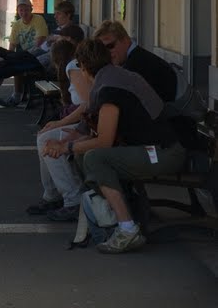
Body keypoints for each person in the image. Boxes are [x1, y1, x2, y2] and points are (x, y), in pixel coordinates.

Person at [42, 39, 185, 253]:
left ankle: (127, 228)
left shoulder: (109, 88)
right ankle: (112, 214)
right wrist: (65, 142)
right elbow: (92, 130)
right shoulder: (112, 76)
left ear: (83, 66)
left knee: (94, 157)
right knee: (87, 155)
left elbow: (104, 141)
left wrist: (65, 148)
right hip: (155, 148)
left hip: (163, 152)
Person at [28, 36, 93, 221]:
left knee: (46, 139)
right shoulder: (75, 66)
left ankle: (72, 199)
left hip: (89, 124)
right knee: (44, 136)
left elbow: (87, 105)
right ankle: (52, 194)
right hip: (86, 122)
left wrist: (59, 123)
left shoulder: (73, 66)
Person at [93, 20, 177, 102]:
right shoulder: (137, 58)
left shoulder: (136, 66)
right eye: (102, 50)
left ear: (125, 40)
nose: (107, 53)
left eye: (110, 46)